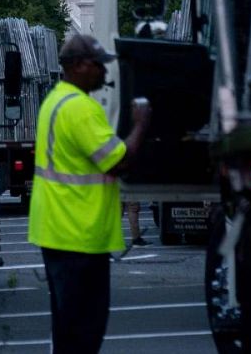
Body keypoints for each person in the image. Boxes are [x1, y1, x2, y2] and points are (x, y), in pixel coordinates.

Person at [28, 34, 152, 354]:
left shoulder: (55, 100)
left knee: (67, 332)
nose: (104, 73)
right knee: (84, 333)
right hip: (80, 236)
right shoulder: (81, 109)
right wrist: (141, 123)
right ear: (80, 66)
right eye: (99, 65)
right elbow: (119, 161)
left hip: (58, 231)